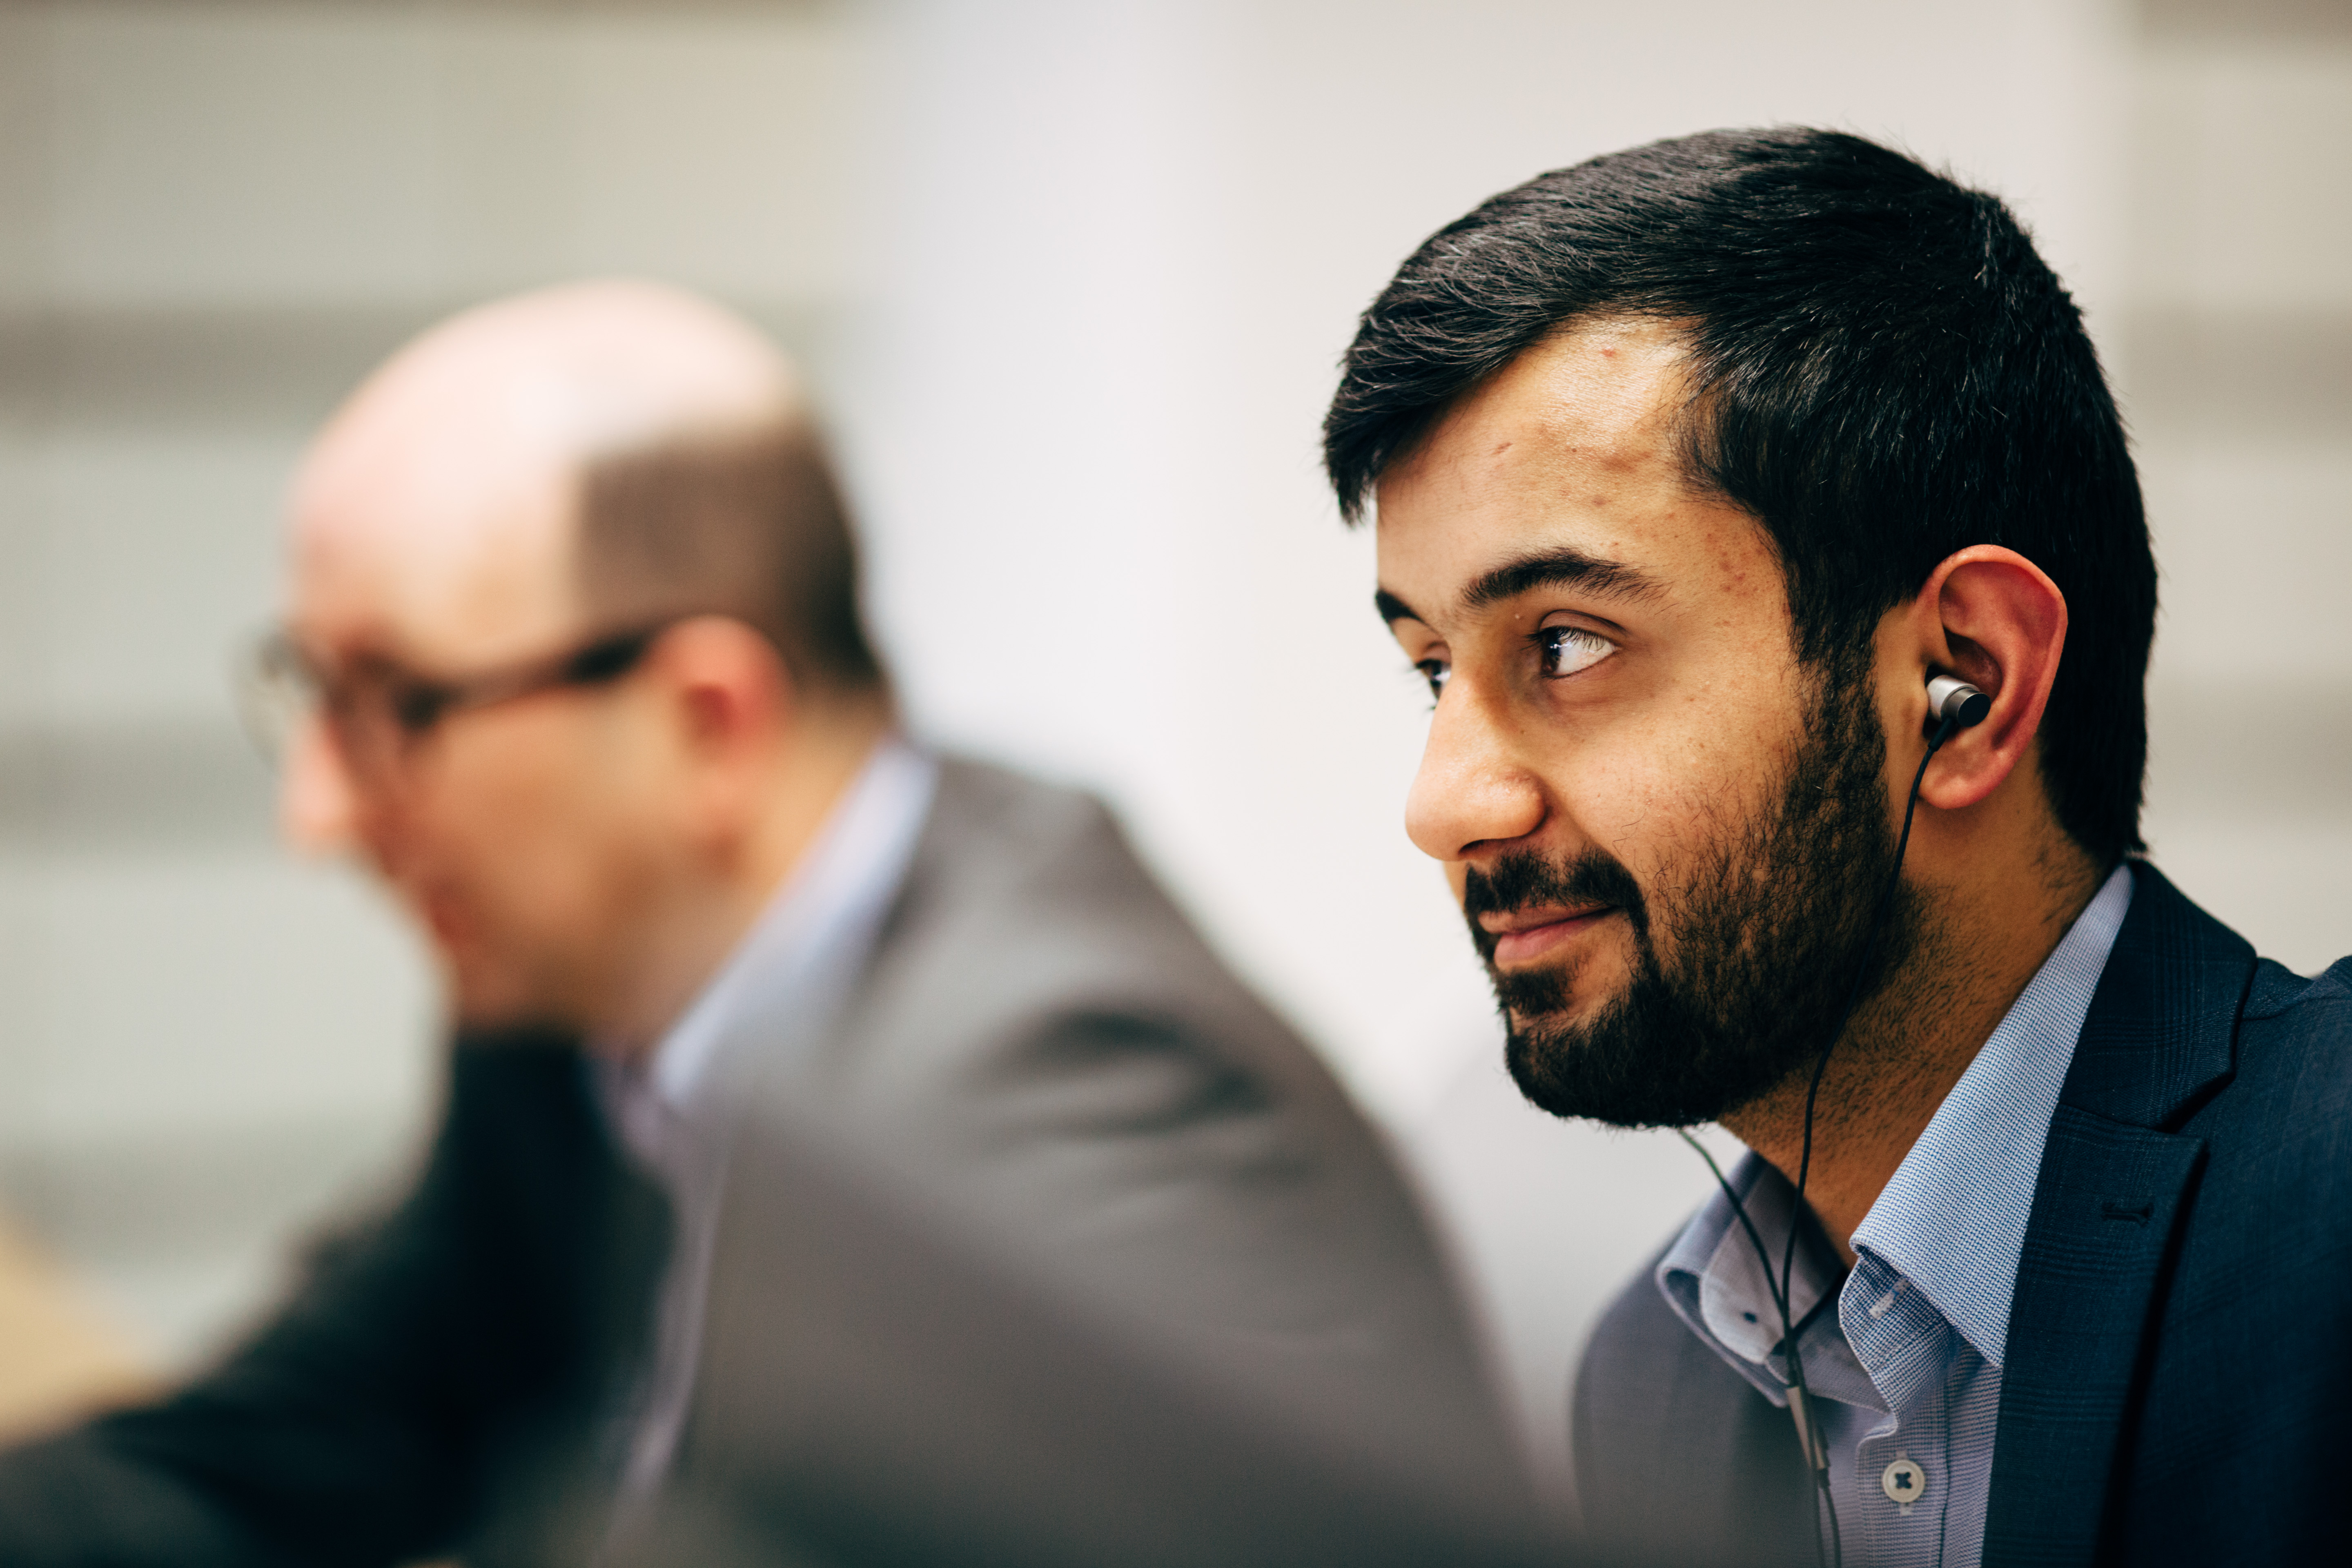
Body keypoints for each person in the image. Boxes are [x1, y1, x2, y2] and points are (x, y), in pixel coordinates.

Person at [0, 281, 1539, 1566]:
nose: (320, 814)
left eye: (395, 703)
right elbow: (271, 1453)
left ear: (707, 723)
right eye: (312, 697)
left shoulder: (1058, 1098)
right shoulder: (580, 1020)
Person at [1321, 127, 2352, 1566]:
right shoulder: (1654, 1387)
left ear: (1965, 686)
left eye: (1566, 644)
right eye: (1436, 671)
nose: (1444, 804)